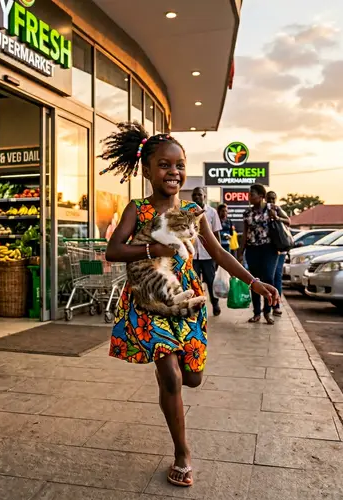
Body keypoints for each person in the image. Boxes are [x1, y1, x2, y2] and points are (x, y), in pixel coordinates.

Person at [101, 122, 278, 489]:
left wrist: (253, 281)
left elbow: (218, 252)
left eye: (179, 164)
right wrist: (152, 249)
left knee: (192, 378)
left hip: (188, 303)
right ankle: (182, 453)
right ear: (147, 170)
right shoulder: (137, 209)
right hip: (150, 303)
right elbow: (114, 250)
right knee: (172, 377)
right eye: (164, 165)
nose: (174, 172)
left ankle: (173, 376)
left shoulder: (195, 211)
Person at [239, 184, 287, 325]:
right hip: (252, 249)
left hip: (269, 249)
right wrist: (240, 253)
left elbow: (288, 221)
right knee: (254, 281)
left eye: (252, 194)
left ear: (261, 196)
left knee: (268, 279)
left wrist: (277, 217)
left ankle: (268, 311)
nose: (249, 196)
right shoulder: (247, 213)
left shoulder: (273, 208)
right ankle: (256, 313)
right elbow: (245, 234)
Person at [191, 187, 222, 316]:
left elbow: (216, 233)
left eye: (199, 195)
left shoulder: (212, 212)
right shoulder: (187, 211)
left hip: (208, 255)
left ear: (204, 197)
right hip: (193, 256)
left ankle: (215, 304)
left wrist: (218, 254)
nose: (197, 197)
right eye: (194, 195)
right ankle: (197, 307)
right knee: (194, 283)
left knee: (210, 281)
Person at [266, 190, 291, 316]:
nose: (270, 201)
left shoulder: (277, 209)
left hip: (279, 249)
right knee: (267, 278)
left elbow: (288, 221)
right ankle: (267, 306)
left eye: (272, 199)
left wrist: (276, 217)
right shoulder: (262, 210)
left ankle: (276, 305)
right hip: (267, 249)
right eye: (268, 199)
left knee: (276, 277)